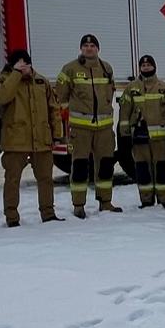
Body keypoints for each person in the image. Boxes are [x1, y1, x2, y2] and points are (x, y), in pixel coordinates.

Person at [0, 49, 63, 225]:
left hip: (41, 140)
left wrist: (57, 134)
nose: (25, 67)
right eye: (20, 64)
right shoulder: (3, 81)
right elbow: (2, 97)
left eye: (27, 63)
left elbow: (53, 108)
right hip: (16, 141)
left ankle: (48, 213)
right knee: (12, 180)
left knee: (45, 179)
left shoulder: (40, 81)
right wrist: (15, 74)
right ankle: (12, 217)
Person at [58, 34, 121, 218]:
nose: (89, 48)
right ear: (81, 49)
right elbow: (61, 97)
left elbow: (110, 93)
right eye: (85, 45)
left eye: (92, 45)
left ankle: (106, 201)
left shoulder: (106, 68)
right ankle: (79, 205)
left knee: (105, 165)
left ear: (98, 49)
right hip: (80, 128)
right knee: (79, 166)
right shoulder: (70, 69)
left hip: (104, 128)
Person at [120, 54, 165, 210]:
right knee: (142, 169)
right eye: (143, 65)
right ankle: (146, 200)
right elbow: (124, 113)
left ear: (154, 67)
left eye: (149, 65)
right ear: (140, 68)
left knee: (162, 169)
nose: (146, 67)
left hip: (160, 139)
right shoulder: (131, 88)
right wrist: (125, 135)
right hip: (139, 139)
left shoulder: (163, 88)